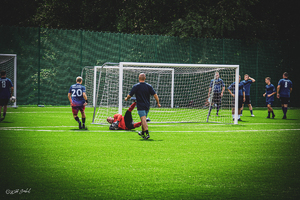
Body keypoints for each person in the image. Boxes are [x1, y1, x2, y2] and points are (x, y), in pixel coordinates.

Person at [125, 73, 161, 139]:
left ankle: (147, 133)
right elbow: (155, 95)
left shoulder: (136, 86)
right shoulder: (149, 86)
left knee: (143, 120)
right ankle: (143, 133)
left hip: (140, 106)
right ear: (145, 78)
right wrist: (158, 103)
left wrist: (126, 98)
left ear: (139, 78)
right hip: (147, 105)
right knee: (143, 120)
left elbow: (130, 95)